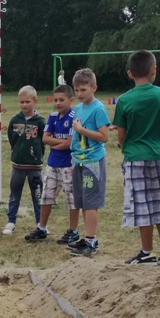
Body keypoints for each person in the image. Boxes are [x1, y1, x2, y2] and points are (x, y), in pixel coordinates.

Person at [112, 49, 160, 265]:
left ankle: (147, 251)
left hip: (135, 158)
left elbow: (121, 135)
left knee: (142, 205)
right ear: (153, 70)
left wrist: (124, 144)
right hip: (159, 155)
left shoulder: (124, 100)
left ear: (129, 73)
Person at [26, 85, 79, 244]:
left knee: (71, 198)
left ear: (70, 100)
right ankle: (41, 228)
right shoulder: (53, 116)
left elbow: (70, 143)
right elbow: (45, 138)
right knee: (46, 196)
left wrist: (56, 143)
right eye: (55, 100)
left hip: (69, 164)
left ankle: (73, 230)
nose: (58, 103)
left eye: (62, 100)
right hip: (52, 163)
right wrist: (60, 143)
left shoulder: (74, 117)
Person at [66, 69, 110, 257]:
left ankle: (91, 240)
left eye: (83, 89)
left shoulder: (98, 109)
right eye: (76, 90)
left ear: (94, 88)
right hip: (78, 161)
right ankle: (87, 237)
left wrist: (81, 129)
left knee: (91, 202)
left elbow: (104, 136)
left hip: (92, 162)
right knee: (82, 200)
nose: (79, 94)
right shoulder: (78, 108)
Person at [3, 85, 45, 235]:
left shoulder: (40, 122)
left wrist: (37, 155)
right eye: (22, 102)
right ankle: (11, 221)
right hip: (18, 166)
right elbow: (11, 138)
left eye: (28, 102)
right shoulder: (15, 120)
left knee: (38, 196)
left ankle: (40, 223)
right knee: (15, 194)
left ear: (35, 101)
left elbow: (44, 140)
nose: (24, 105)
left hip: (35, 166)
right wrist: (16, 151)